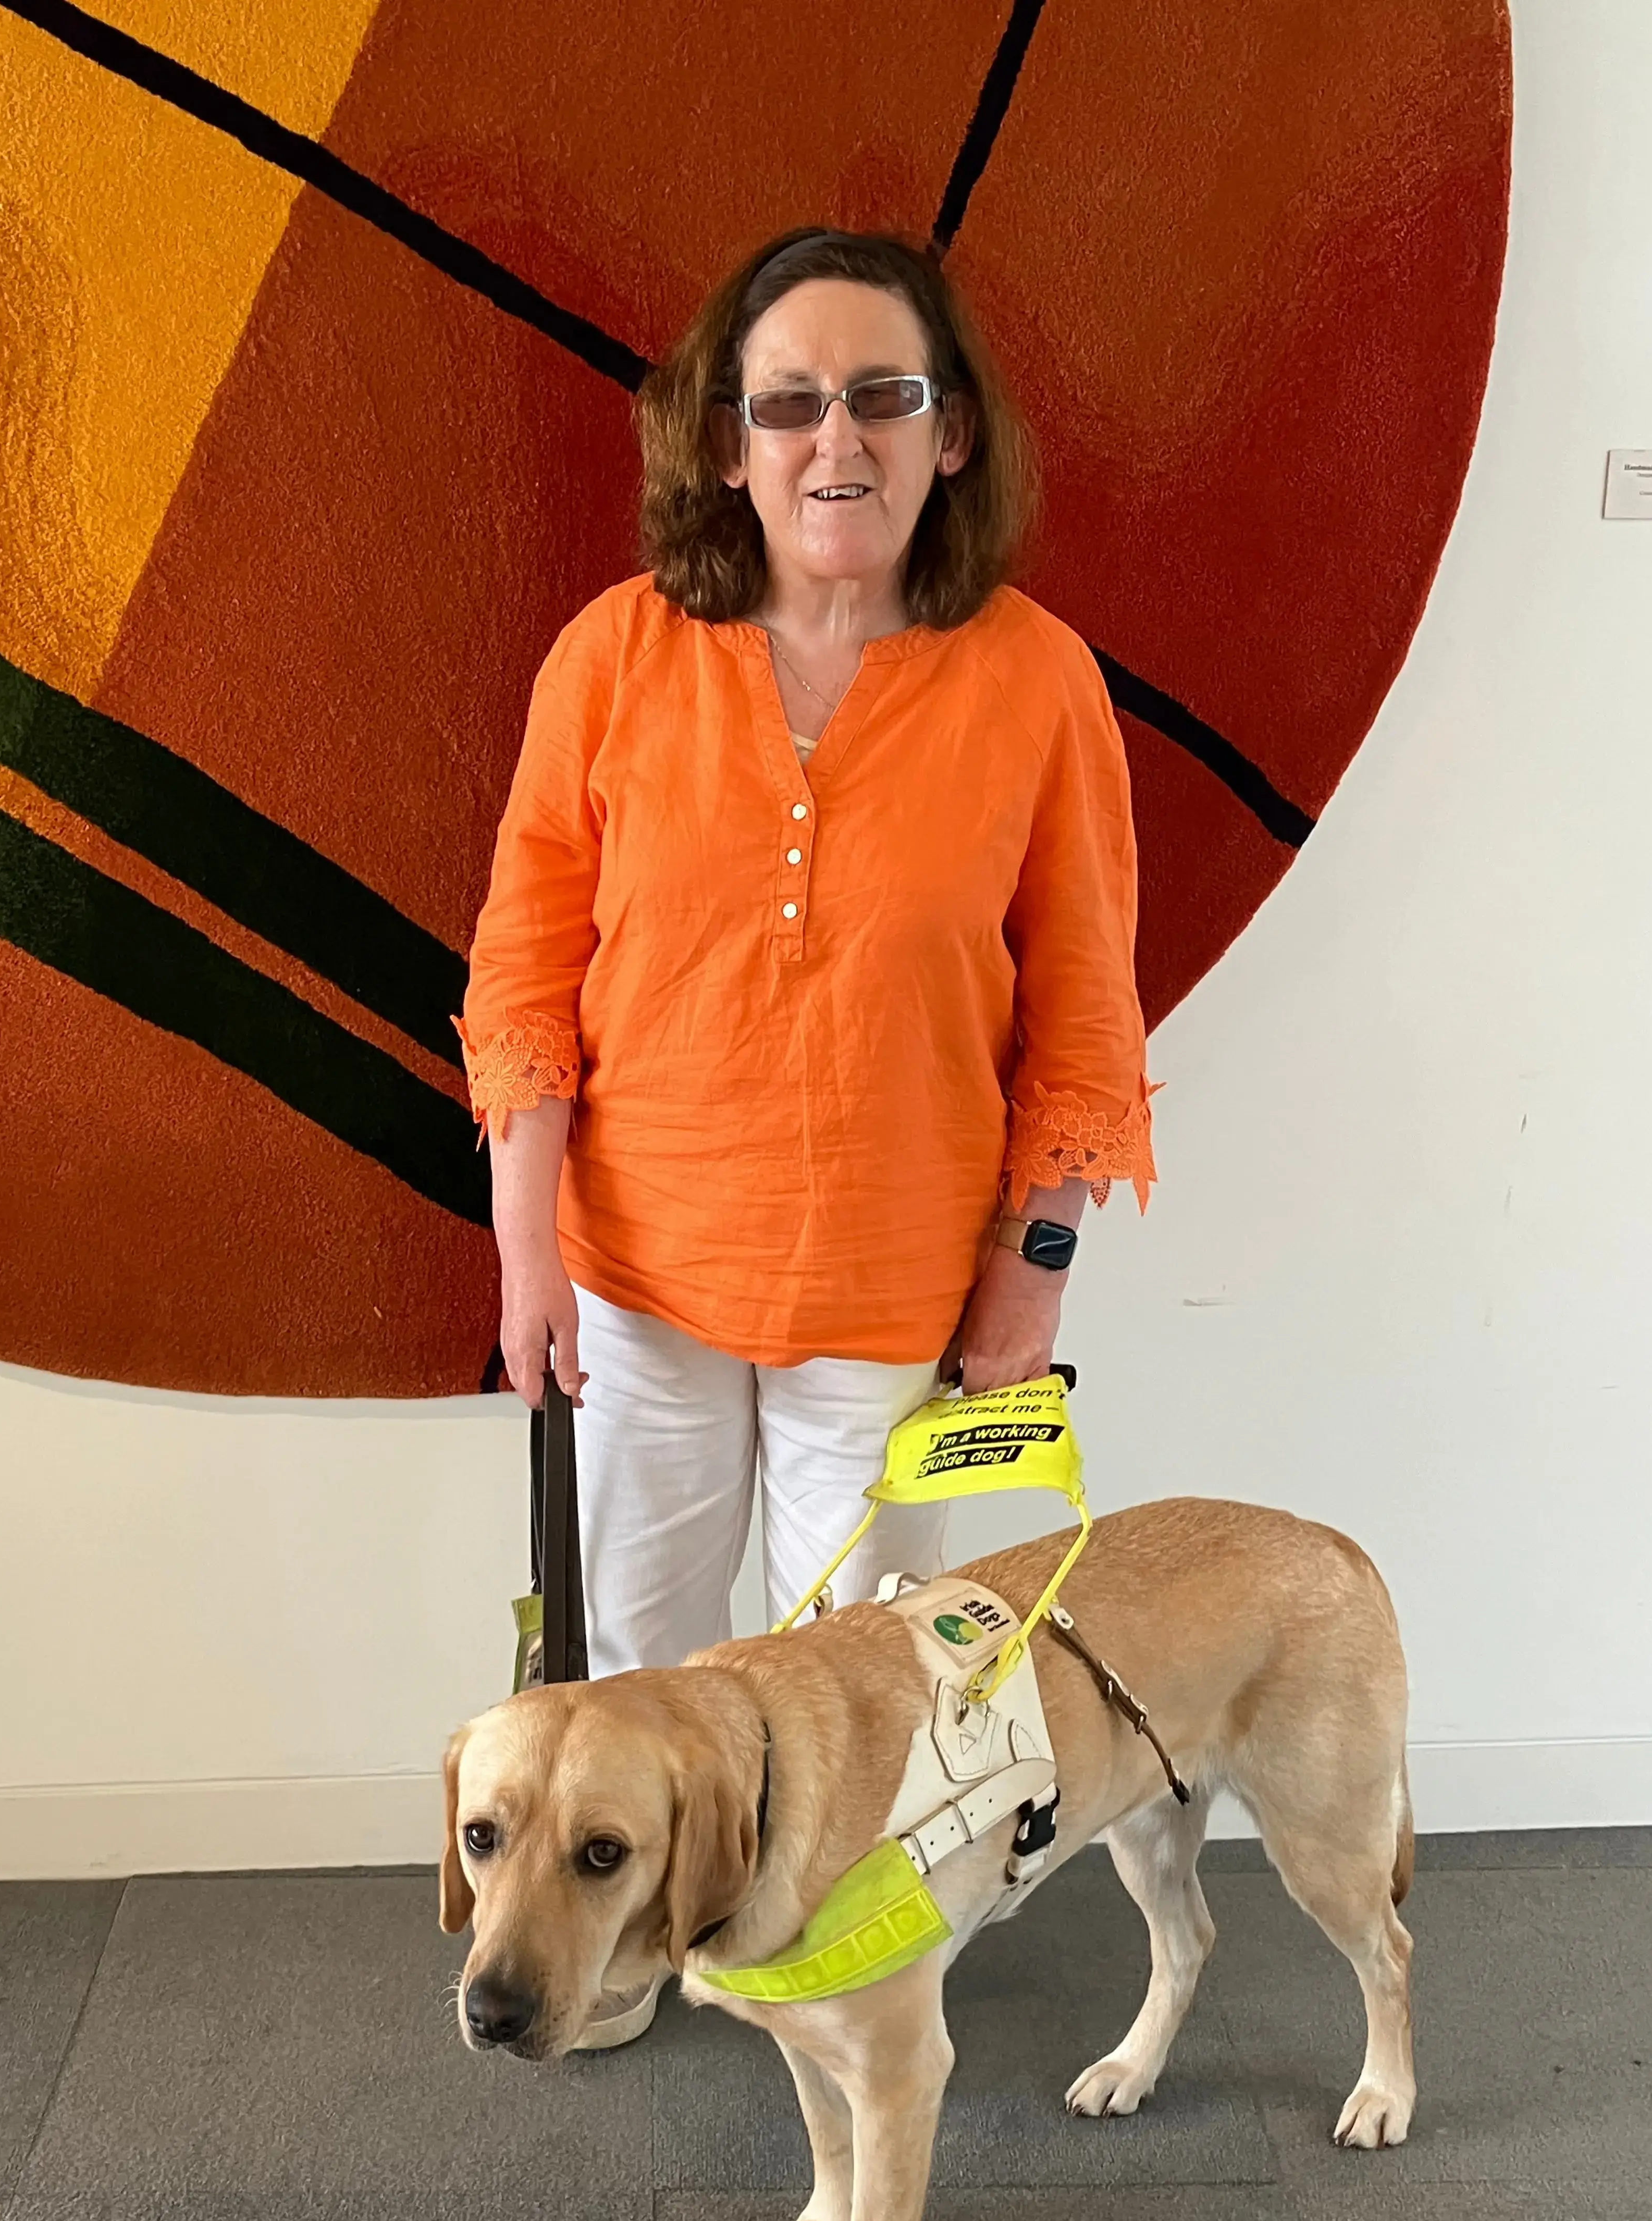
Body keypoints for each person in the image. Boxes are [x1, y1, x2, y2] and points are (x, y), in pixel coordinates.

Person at [457, 225, 1154, 2042]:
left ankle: (840, 2000)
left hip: (897, 1305)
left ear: (952, 436)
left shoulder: (1039, 684)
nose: (831, 439)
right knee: (634, 1676)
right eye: (786, 403)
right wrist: (530, 1251)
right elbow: (524, 977)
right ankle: (606, 1968)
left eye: (880, 395)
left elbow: (1085, 1021)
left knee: (864, 1698)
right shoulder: (613, 658)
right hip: (638, 1284)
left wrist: (1034, 1282)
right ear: (724, 440)